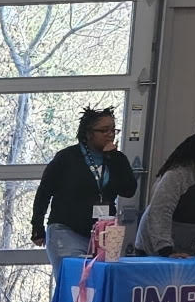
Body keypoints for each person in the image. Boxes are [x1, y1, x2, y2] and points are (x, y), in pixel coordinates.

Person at [30, 107, 136, 272]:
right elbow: (44, 192)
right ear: (88, 133)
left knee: (96, 286)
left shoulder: (117, 159)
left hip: (103, 233)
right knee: (74, 284)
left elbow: (129, 190)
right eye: (103, 130)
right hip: (67, 230)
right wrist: (37, 225)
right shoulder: (67, 158)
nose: (110, 134)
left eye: (113, 130)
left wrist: (114, 159)